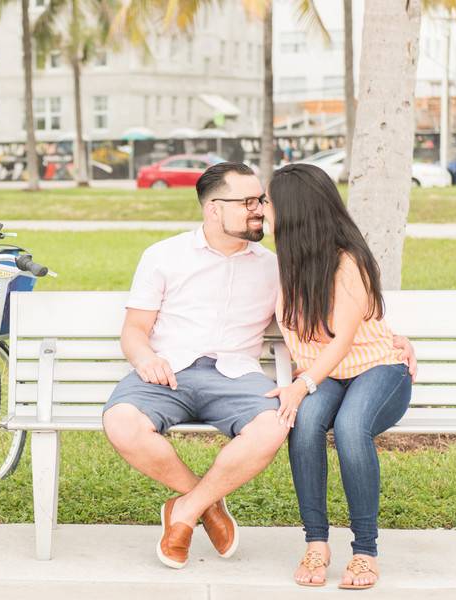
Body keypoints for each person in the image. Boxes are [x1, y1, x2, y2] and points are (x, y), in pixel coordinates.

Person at [102, 161, 415, 571]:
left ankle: (186, 511)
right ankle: (206, 504)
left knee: (279, 424)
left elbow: (339, 320)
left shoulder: (277, 266)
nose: (259, 209)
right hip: (168, 370)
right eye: (248, 201)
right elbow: (134, 330)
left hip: (239, 375)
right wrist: (146, 358)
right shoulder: (164, 256)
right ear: (214, 209)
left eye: (262, 201)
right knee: (122, 422)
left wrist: (392, 338)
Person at [262, 162, 415, 590]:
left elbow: (344, 340)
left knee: (350, 428)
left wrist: (301, 384)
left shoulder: (348, 263)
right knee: (305, 423)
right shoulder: (285, 262)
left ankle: (365, 551)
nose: (262, 208)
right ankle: (316, 543)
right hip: (325, 375)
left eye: (268, 202)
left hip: (378, 370)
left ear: (294, 211)